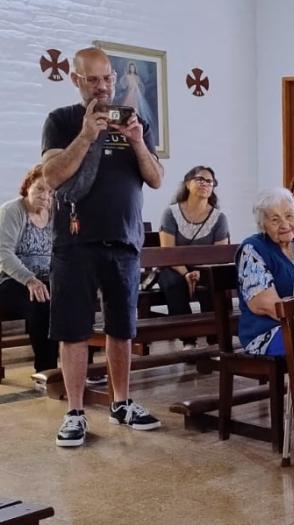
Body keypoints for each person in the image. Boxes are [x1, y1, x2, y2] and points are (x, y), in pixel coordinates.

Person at [41, 47, 164, 447]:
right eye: (93, 79)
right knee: (74, 330)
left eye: (108, 77)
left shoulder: (133, 119)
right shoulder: (61, 121)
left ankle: (121, 403)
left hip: (124, 239)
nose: (103, 86)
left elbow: (156, 178)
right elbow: (53, 174)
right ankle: (75, 412)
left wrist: (138, 141)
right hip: (75, 242)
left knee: (122, 329)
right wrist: (87, 134)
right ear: (76, 80)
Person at [236, 188, 294, 356]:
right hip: (268, 332)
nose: (285, 224)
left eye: (289, 216)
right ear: (263, 224)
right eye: (275, 220)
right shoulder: (253, 248)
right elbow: (265, 305)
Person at [158, 165, 230, 350]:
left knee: (212, 282)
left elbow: (219, 255)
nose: (205, 184)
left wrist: (198, 272)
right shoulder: (171, 213)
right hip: (175, 266)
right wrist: (185, 274)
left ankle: (215, 338)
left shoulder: (219, 217)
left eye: (209, 181)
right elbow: (168, 251)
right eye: (200, 179)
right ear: (188, 184)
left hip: (205, 267)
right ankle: (188, 340)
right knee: (174, 283)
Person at [0, 166, 59, 372]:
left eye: (51, 192)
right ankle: (46, 371)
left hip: (45, 280)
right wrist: (30, 279)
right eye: (40, 189)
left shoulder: (54, 215)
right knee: (40, 302)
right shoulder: (12, 211)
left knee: (73, 298)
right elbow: (4, 254)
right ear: (27, 187)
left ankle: (83, 369)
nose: (45, 196)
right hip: (10, 281)